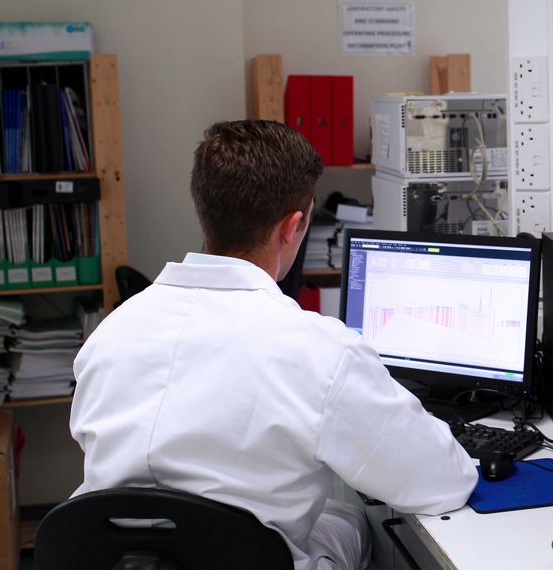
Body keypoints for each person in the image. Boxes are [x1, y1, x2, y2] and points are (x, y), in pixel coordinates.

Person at [69, 120, 478, 570]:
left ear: (203, 207)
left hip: (125, 562)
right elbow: (442, 482)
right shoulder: (320, 351)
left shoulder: (109, 334)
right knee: (355, 519)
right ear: (294, 226)